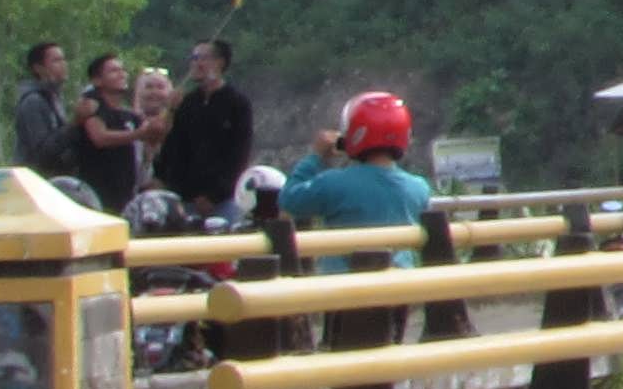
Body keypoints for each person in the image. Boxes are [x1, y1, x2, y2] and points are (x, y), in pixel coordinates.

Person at [280, 92, 434, 244]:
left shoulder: (333, 183)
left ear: (353, 134)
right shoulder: (419, 188)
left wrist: (316, 157)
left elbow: (289, 200)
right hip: (401, 270)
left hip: (347, 270)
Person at [157, 37, 256, 217]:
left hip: (224, 200)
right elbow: (173, 148)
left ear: (220, 62)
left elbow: (239, 154)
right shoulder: (187, 103)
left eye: (202, 58)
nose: (196, 63)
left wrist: (214, 195)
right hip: (185, 199)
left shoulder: (237, 103)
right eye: (193, 58)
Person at [69, 50, 152, 217]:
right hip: (98, 194)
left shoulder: (129, 116)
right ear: (97, 80)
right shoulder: (92, 105)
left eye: (122, 70)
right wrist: (137, 134)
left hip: (126, 193)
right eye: (114, 71)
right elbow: (99, 138)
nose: (122, 74)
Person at [11, 41, 79, 182]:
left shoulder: (54, 98)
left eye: (64, 59)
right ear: (38, 68)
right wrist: (75, 124)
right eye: (56, 61)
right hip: (36, 183)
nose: (63, 65)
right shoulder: (34, 101)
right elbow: (42, 152)